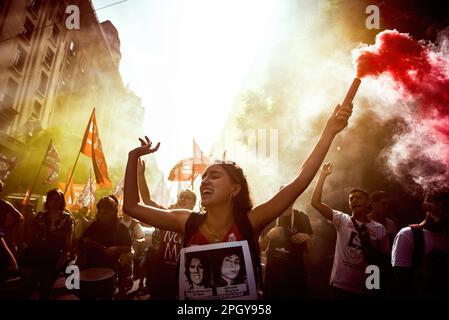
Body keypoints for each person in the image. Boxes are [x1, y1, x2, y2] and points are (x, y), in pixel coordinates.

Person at [124, 102, 353, 298]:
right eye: (204, 177)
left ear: (235, 189)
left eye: (214, 176)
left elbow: (301, 180)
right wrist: (132, 157)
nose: (205, 181)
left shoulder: (250, 222)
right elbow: (132, 206)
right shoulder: (186, 221)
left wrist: (329, 132)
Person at [311, 163, 390, 298]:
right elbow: (316, 203)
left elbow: (383, 260)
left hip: (365, 289)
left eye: (358, 198)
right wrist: (322, 176)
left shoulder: (379, 229)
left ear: (368, 203)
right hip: (340, 286)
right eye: (351, 199)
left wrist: (374, 287)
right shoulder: (342, 219)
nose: (354, 201)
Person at [137, 158, 197, 299]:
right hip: (160, 273)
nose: (182, 199)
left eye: (187, 197)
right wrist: (140, 175)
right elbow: (147, 201)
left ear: (194, 203)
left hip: (183, 276)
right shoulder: (167, 216)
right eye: (180, 196)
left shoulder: (198, 222)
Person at [392, 188, 449, 299]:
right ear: (426, 207)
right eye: (442, 207)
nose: (445, 213)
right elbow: (401, 284)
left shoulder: (446, 238)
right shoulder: (407, 235)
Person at [19, 188, 74, 299]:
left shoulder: (67, 218)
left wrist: (62, 258)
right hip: (36, 253)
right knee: (27, 286)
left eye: (57, 200)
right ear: (48, 201)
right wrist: (26, 218)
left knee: (46, 288)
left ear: (61, 201)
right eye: (51, 200)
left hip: (53, 255)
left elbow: (68, 241)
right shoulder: (40, 216)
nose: (54, 202)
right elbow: (32, 235)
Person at [78, 195, 132, 298]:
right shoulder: (93, 226)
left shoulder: (121, 228)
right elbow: (81, 244)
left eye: (105, 213)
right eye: (100, 212)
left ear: (113, 212)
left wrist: (116, 248)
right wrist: (85, 242)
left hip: (110, 269)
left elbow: (128, 247)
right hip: (90, 267)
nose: (101, 215)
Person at [261, 198, 313, 299]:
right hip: (274, 274)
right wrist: (268, 236)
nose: (288, 199)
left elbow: (310, 249)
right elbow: (261, 247)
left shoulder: (302, 217)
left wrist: (307, 237)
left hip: (295, 273)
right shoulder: (271, 216)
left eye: (292, 196)